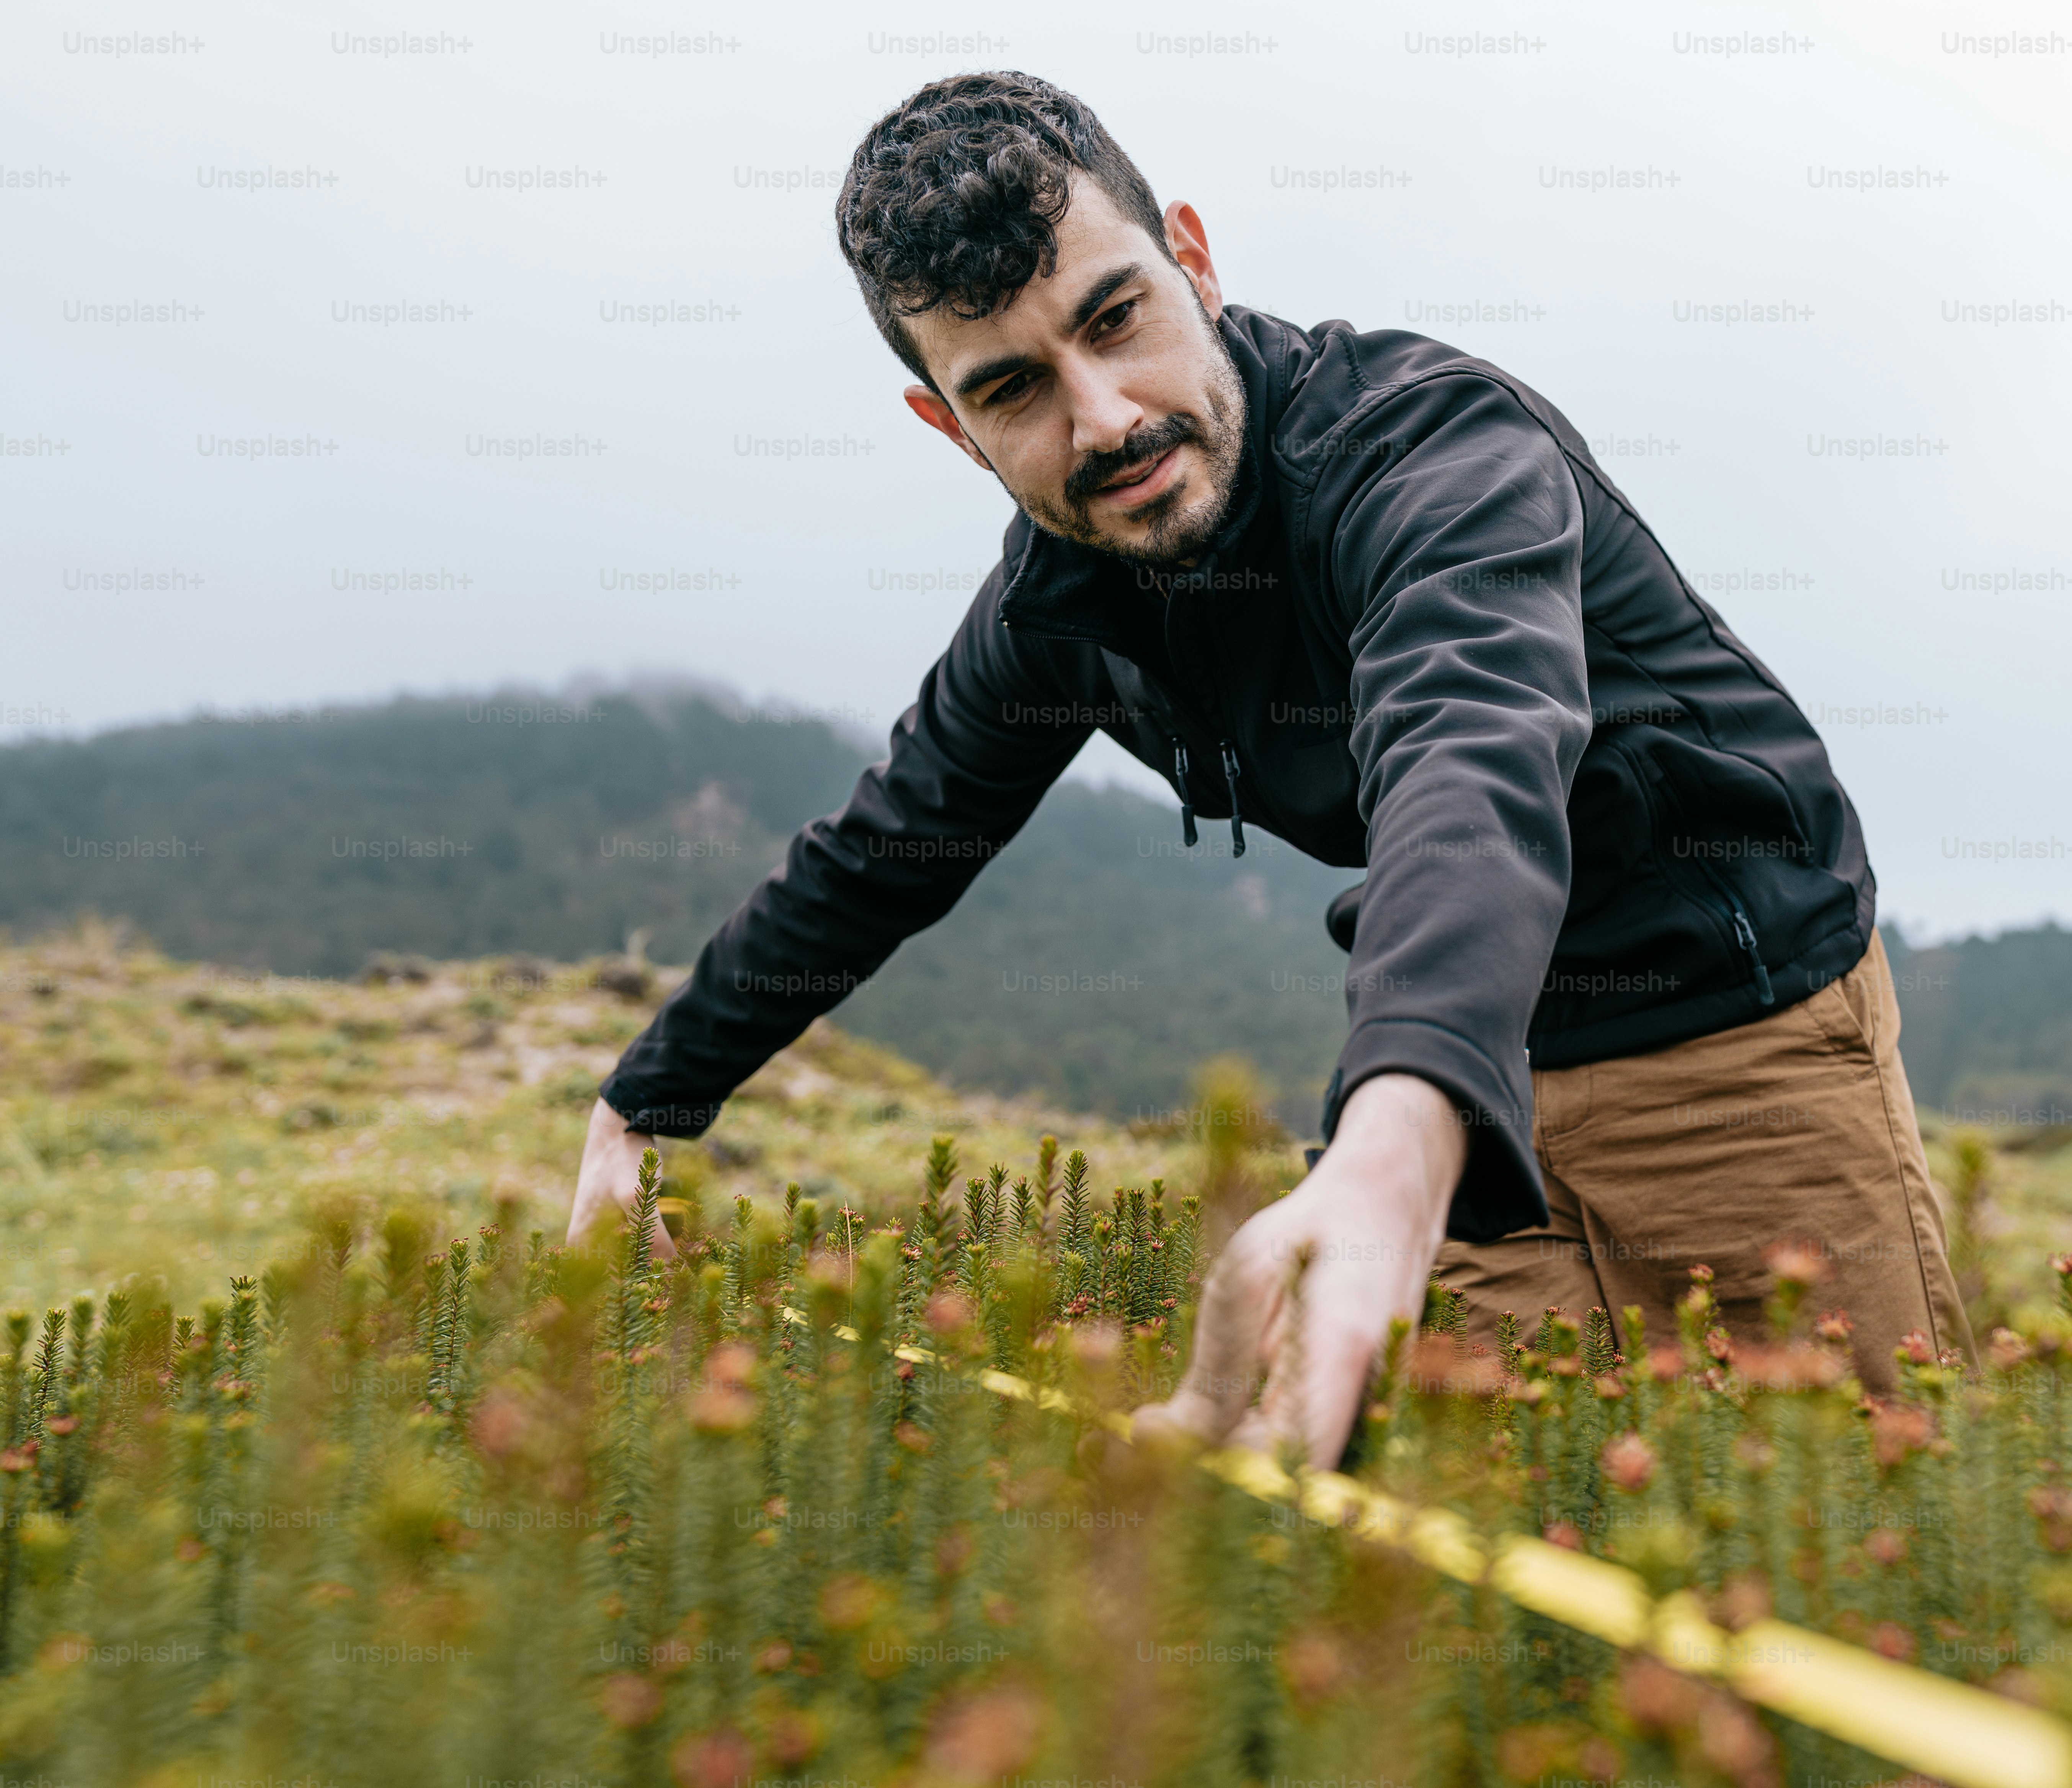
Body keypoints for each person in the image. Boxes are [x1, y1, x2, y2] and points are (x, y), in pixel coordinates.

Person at [571, 70, 1969, 1468]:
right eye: (1013, 388)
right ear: (948, 424)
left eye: (1116, 318)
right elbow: (887, 849)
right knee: (1434, 1547)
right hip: (1471, 1091)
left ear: (1193, 255)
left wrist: (1390, 1145)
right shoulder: (1055, 610)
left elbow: (1465, 764)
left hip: (1742, 1040)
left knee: (1862, 1522)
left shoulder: (1434, 450)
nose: (1106, 417)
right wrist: (645, 1102)